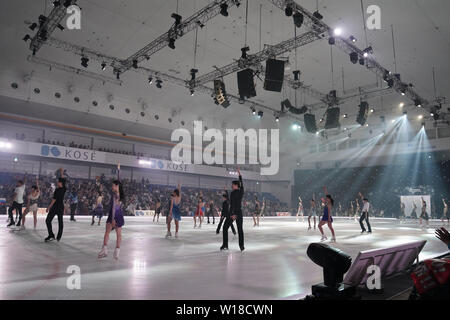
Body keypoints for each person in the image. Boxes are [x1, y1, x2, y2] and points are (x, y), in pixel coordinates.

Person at [98, 164, 125, 259]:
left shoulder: (115, 196)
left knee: (107, 232)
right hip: (120, 215)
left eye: (113, 185)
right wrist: (118, 171)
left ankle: (104, 250)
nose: (112, 187)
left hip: (113, 216)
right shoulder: (120, 194)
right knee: (119, 234)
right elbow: (119, 181)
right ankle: (117, 252)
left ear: (116, 186)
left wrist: (113, 219)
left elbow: (114, 208)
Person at [221, 167, 244, 251]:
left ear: (235, 185)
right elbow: (242, 184)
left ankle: (225, 244)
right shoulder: (241, 191)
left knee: (225, 228)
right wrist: (239, 174)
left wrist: (233, 214)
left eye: (232, 184)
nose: (231, 185)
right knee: (240, 229)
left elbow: (232, 204)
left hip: (233, 213)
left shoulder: (233, 193)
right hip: (239, 212)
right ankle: (241, 246)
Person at [45, 168, 66, 242]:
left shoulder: (63, 189)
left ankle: (58, 236)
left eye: (59, 182)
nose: (57, 182)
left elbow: (54, 200)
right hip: (56, 207)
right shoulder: (58, 189)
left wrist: (48, 207)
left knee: (60, 222)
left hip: (58, 207)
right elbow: (54, 199)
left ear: (61, 183)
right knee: (48, 220)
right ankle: (51, 235)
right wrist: (61, 172)